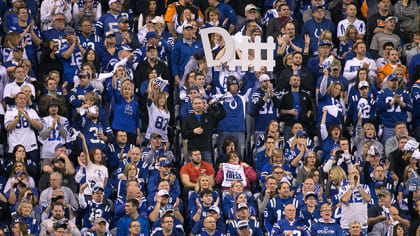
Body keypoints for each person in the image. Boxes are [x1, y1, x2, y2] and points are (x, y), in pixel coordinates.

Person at [182, 97, 226, 164]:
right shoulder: (188, 119)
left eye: (199, 103)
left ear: (203, 104)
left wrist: (218, 104)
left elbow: (223, 115)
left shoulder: (209, 116)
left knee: (208, 172)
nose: (198, 105)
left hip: (206, 149)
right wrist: (193, 132)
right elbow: (184, 135)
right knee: (191, 172)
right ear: (192, 106)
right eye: (196, 103)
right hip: (192, 150)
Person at [376, 74, 412, 144]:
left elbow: (411, 107)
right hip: (387, 126)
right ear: (388, 82)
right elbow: (378, 107)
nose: (394, 82)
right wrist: (392, 102)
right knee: (388, 147)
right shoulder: (382, 93)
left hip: (402, 126)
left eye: (396, 80)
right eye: (392, 80)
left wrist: (400, 102)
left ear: (398, 82)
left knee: (404, 147)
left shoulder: (404, 93)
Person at [279, 74, 313, 141]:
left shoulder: (305, 95)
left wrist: (307, 116)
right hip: (289, 125)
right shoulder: (286, 96)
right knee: (288, 146)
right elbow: (280, 111)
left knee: (303, 145)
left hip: (302, 125)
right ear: (290, 82)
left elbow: (310, 108)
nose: (296, 81)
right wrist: (289, 111)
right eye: (294, 80)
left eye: (298, 80)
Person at [339, 168, 371, 235]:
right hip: (346, 225)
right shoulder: (343, 188)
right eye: (353, 173)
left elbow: (368, 199)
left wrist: (358, 186)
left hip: (362, 224)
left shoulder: (365, 187)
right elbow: (344, 199)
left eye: (357, 173)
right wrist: (352, 187)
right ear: (348, 176)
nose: (355, 175)